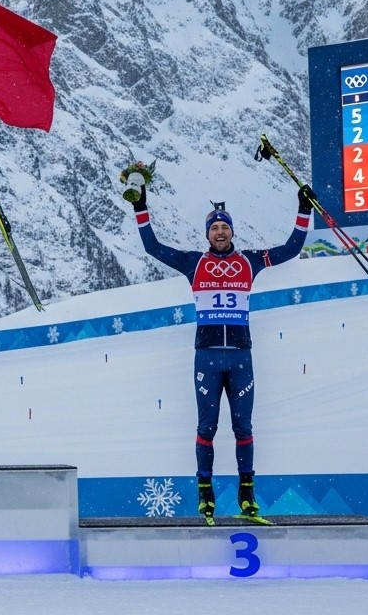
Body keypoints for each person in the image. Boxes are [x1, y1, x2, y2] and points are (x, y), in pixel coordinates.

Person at [130, 183, 315, 522]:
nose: (219, 232)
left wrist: (304, 210)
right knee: (207, 428)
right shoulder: (193, 263)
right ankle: (206, 494)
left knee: (243, 428)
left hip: (240, 357)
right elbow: (153, 247)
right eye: (214, 227)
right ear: (207, 234)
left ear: (232, 232)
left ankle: (247, 497)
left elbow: (290, 249)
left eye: (224, 227)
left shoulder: (250, 261)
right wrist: (140, 208)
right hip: (208, 357)